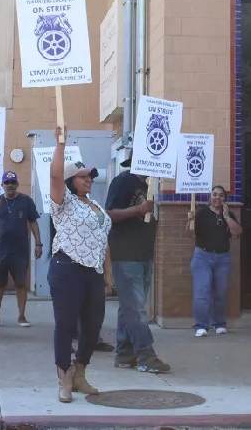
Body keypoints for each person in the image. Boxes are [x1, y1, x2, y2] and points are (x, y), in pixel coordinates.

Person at [48, 127, 112, 403]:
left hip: (93, 272)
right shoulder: (64, 203)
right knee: (65, 324)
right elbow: (54, 175)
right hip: (67, 268)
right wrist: (60, 144)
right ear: (72, 180)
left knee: (93, 324)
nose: (89, 180)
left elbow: (104, 241)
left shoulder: (96, 205)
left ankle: (80, 373)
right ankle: (63, 377)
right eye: (84, 176)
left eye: (90, 177)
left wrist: (108, 275)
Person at [105, 156, 170, 374]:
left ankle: (124, 354)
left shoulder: (150, 186)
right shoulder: (123, 181)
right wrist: (138, 210)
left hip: (143, 253)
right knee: (136, 308)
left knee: (129, 307)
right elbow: (109, 214)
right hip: (126, 253)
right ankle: (145, 354)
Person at [0, 170, 41, 327]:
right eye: (7, 183)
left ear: (17, 184)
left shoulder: (26, 201)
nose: (10, 185)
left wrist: (38, 243)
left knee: (20, 284)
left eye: (13, 182)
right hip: (0, 250)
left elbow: (33, 222)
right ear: (2, 185)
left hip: (20, 250)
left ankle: (22, 316)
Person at [189, 186, 242, 337]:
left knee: (220, 292)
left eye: (220, 195)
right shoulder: (201, 212)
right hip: (202, 257)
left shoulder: (229, 214)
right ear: (209, 197)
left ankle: (219, 323)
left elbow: (237, 232)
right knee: (202, 291)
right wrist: (190, 220)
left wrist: (226, 217)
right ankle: (201, 325)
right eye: (214, 195)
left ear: (225, 199)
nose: (217, 198)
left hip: (222, 258)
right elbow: (189, 233)